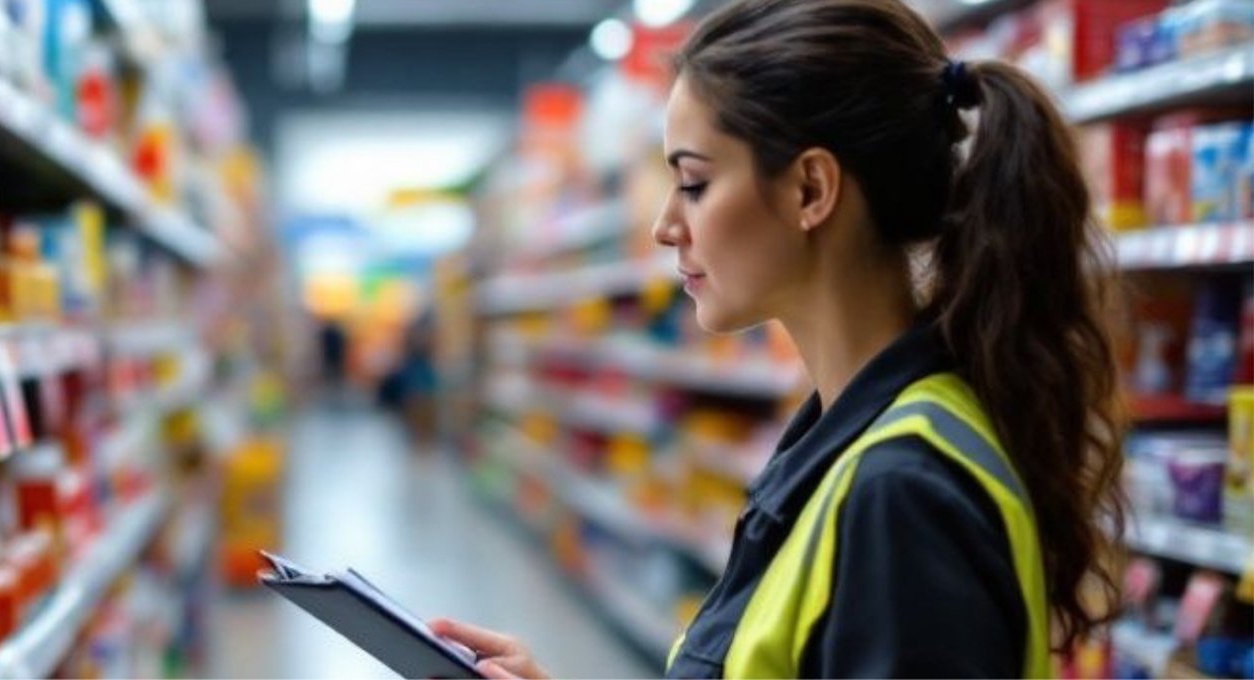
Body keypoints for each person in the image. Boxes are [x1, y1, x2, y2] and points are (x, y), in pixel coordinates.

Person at [432, 0, 1125, 677]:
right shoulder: (854, 440)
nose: (664, 226)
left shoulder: (898, 496)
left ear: (810, 189)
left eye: (694, 183)